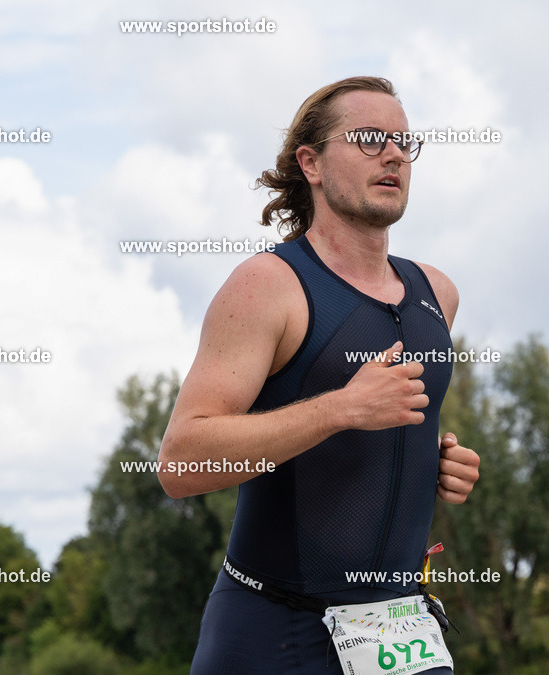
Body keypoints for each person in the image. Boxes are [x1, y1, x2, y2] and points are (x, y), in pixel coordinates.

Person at [159, 76, 480, 673]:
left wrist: (433, 459)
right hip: (273, 633)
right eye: (369, 139)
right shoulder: (267, 285)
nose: (393, 155)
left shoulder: (438, 292)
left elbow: (380, 429)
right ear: (311, 163)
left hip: (397, 633)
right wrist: (341, 409)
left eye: (404, 142)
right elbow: (181, 463)